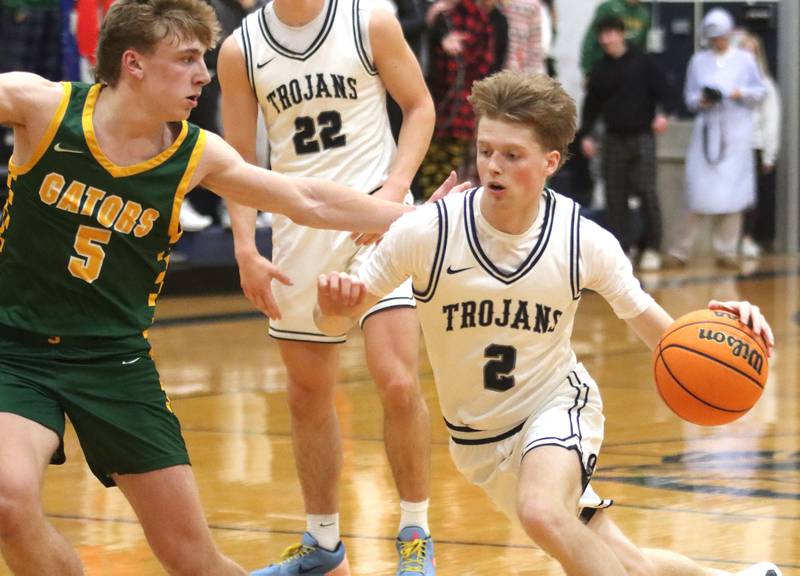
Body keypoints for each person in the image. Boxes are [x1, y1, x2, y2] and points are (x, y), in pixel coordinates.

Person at [0, 0, 449, 572]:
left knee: (194, 559)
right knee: (7, 501)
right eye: (187, 59)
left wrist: (411, 217)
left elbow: (306, 198)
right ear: (134, 64)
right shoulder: (41, 106)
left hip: (113, 362)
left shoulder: (194, 152)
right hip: (17, 352)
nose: (204, 75)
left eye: (204, 59)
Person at [313, 70, 780, 576]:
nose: (492, 166)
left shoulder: (582, 240)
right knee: (625, 560)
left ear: (550, 162)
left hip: (556, 407)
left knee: (543, 513)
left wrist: (718, 332)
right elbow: (333, 314)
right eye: (486, 149)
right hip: (481, 443)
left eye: (512, 155)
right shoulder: (428, 230)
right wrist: (333, 301)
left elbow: (661, 334)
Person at [216, 1, 437, 574]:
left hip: (377, 223)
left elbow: (419, 108)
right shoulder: (241, 48)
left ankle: (415, 532)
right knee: (307, 395)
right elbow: (236, 160)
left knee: (396, 380)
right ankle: (322, 544)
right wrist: (246, 247)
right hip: (298, 233)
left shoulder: (371, 20)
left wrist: (392, 198)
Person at [667, 8, 765, 269]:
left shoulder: (745, 60)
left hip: (736, 133)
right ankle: (680, 250)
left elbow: (759, 91)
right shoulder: (698, 61)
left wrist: (737, 92)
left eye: (721, 36)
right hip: (707, 132)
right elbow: (688, 97)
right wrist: (702, 101)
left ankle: (726, 250)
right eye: (713, 38)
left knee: (734, 196)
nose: (718, 42)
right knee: (697, 193)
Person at [579, 16, 673, 271]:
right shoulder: (599, 69)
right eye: (603, 35)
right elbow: (591, 106)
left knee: (647, 191)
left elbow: (665, 91)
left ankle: (653, 247)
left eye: (612, 33)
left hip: (642, 135)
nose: (608, 39)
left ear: (622, 34)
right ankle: (623, 247)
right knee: (615, 195)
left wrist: (663, 114)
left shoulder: (645, 62)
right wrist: (586, 135)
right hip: (612, 138)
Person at [739, 32, 780, 258]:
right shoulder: (730, 83)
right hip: (732, 148)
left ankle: (747, 238)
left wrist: (769, 155)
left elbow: (771, 121)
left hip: (754, 146)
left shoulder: (765, 85)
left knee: (751, 197)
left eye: (752, 50)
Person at [579, 0, 649, 78]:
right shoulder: (609, 7)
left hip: (629, 71)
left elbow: (642, 46)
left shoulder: (643, 13)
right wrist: (587, 70)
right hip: (604, 67)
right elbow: (591, 39)